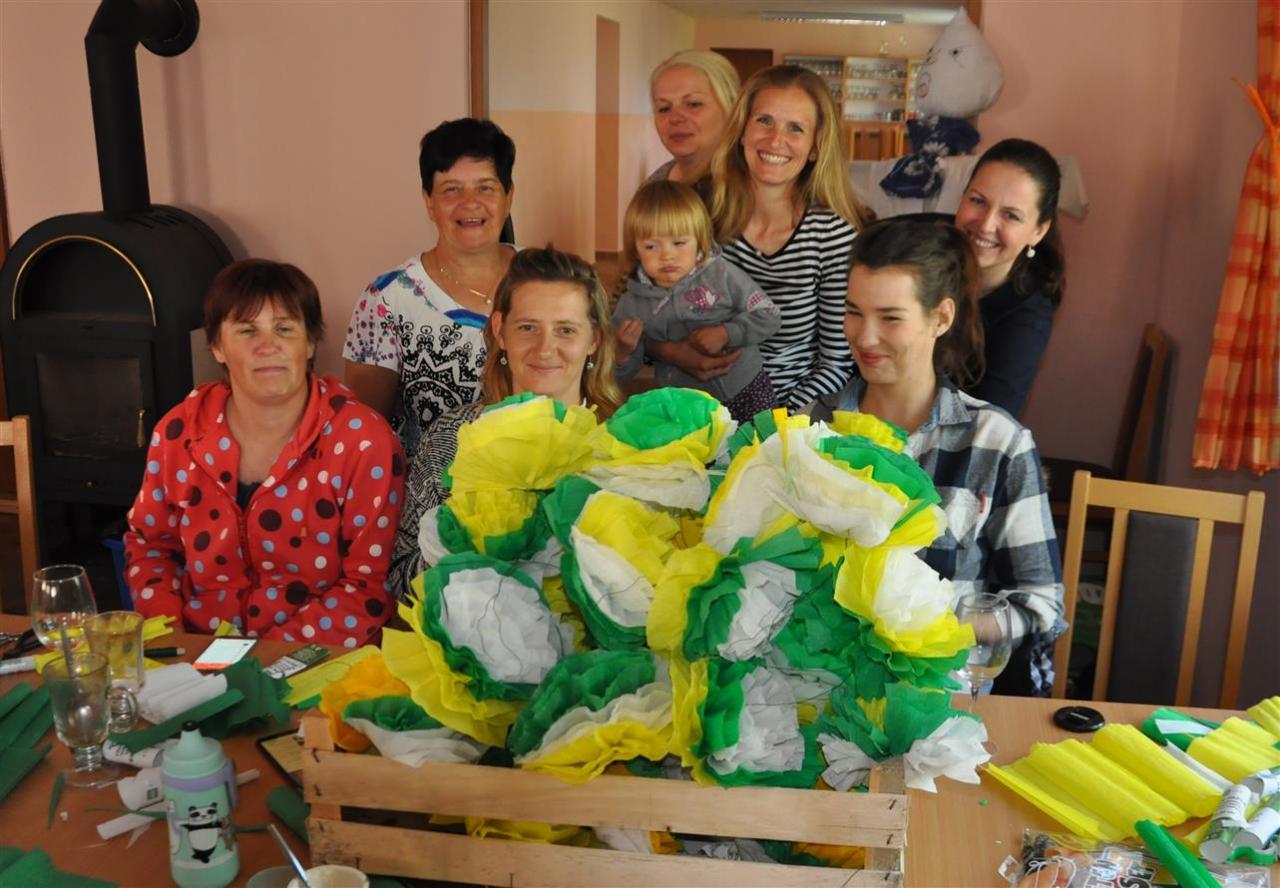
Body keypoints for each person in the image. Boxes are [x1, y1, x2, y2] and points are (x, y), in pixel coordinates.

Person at [813, 219, 1065, 695]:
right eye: (853, 312)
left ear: (941, 318)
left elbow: (1040, 603)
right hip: (819, 695)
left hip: (941, 706)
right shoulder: (813, 429)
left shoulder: (997, 443)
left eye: (890, 318)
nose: (865, 337)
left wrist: (930, 623)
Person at [126, 260, 405, 647]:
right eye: (247, 330)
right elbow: (150, 546)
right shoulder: (178, 433)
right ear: (217, 347)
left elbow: (368, 586)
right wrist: (172, 641)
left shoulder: (364, 440)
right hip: (198, 649)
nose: (268, 345)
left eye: (284, 328)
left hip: (319, 656)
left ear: (310, 343)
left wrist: (261, 659)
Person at [389, 246, 623, 599]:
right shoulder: (451, 437)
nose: (545, 348)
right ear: (500, 330)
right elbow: (399, 578)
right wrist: (463, 544)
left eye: (566, 330)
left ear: (594, 340)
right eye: (527, 327)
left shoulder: (623, 447)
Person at [685, 64, 868, 410]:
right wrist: (675, 355)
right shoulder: (701, 218)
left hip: (793, 416)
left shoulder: (833, 237)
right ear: (742, 132)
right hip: (697, 407)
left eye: (795, 128)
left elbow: (837, 364)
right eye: (764, 121)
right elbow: (657, 318)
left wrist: (777, 423)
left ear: (815, 148)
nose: (774, 140)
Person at [343, 118, 517, 456]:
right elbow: (366, 432)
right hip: (432, 485)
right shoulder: (386, 299)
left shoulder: (544, 278)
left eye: (486, 187)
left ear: (508, 196)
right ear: (428, 201)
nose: (470, 203)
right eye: (452, 189)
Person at [613, 180, 780, 422]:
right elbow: (617, 375)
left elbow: (769, 315)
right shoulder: (632, 303)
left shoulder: (722, 275)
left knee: (765, 444)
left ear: (700, 241)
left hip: (747, 389)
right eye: (651, 246)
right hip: (684, 406)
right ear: (635, 250)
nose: (667, 255)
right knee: (695, 448)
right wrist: (622, 351)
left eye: (679, 243)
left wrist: (726, 333)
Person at [953, 138, 1065, 418]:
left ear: (1038, 231)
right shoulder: (923, 246)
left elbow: (988, 426)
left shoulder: (1028, 318)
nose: (986, 225)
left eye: (1011, 216)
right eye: (978, 201)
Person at [646, 49, 740, 185]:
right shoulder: (654, 185)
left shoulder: (754, 188)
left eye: (693, 104)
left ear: (730, 108)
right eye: (664, 108)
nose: (675, 118)